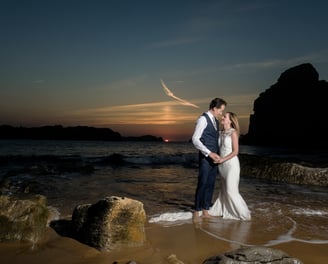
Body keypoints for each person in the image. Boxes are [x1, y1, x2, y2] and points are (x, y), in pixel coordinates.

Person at [208, 112, 251, 220]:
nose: (222, 117)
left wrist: (222, 159)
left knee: (230, 191)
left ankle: (244, 214)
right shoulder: (220, 132)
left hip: (231, 165)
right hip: (222, 166)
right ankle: (224, 210)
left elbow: (236, 151)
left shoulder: (233, 133)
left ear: (230, 121)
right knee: (223, 190)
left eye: (225, 117)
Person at [192, 97, 227, 219]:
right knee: (203, 182)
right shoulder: (203, 119)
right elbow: (195, 139)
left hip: (215, 158)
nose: (221, 113)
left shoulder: (216, 121)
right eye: (220, 110)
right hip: (206, 157)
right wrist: (209, 153)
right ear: (214, 108)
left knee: (211, 183)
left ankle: (205, 209)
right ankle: (196, 210)